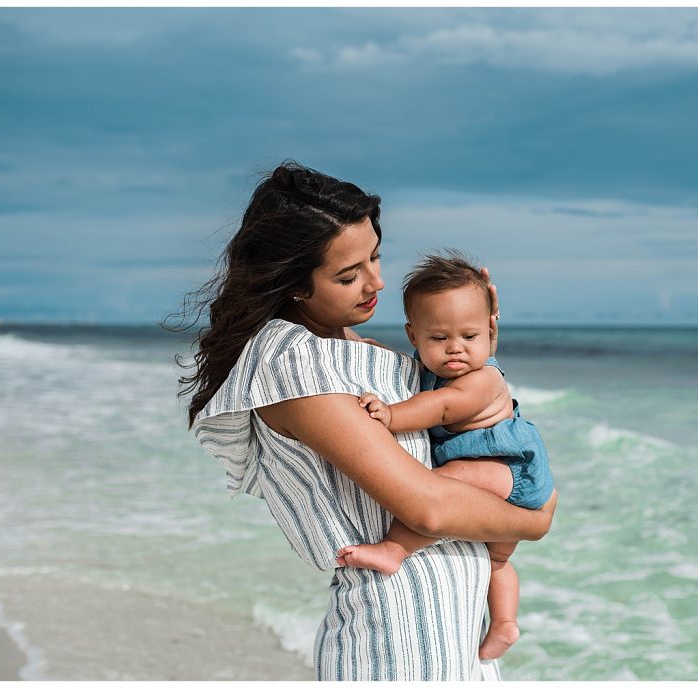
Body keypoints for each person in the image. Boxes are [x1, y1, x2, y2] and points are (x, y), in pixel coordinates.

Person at [176, 161, 557, 681]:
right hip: (398, 635)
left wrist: (474, 327)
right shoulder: (293, 364)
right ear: (293, 284)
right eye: (348, 274)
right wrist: (533, 519)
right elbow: (429, 508)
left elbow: (458, 410)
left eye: (375, 257)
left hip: (456, 628)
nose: (375, 282)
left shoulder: (353, 349)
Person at [338, 252, 555, 661]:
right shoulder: (429, 365)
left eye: (469, 337)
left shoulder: (482, 379)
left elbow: (441, 408)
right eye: (439, 338)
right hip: (500, 476)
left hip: (512, 472)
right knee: (496, 561)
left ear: (489, 334)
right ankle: (505, 624)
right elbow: (388, 360)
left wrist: (390, 416)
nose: (455, 349)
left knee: (450, 477)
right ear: (414, 336)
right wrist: (348, 338)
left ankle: (394, 549)